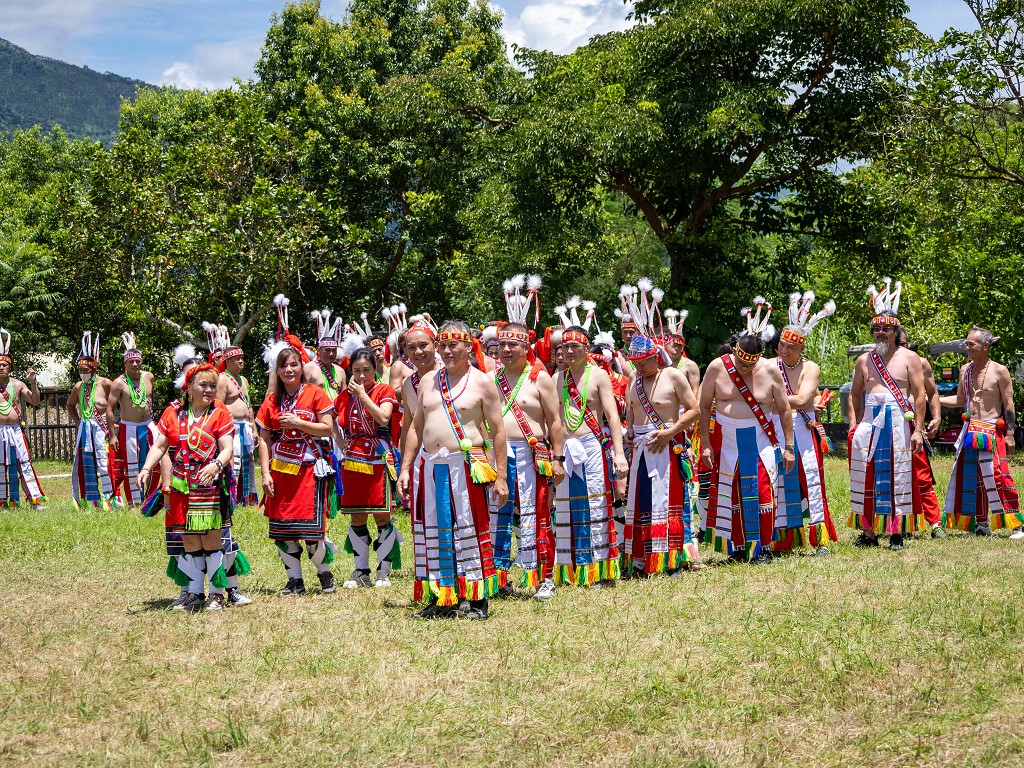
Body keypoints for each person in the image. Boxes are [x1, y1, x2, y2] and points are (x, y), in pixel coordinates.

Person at [398, 320, 508, 620]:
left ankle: (477, 598)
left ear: (467, 346)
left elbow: (498, 432)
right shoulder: (428, 381)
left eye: (453, 345)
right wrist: (406, 468)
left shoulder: (483, 381)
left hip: (465, 466)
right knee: (436, 531)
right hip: (431, 468)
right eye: (443, 345)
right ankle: (443, 596)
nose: (447, 351)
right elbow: (415, 428)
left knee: (471, 531)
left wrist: (500, 476)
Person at [699, 298, 794, 563]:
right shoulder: (718, 367)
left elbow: (785, 410)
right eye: (740, 364)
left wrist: (788, 447)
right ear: (734, 352)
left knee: (763, 490)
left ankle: (762, 546)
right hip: (727, 440)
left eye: (749, 366)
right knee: (732, 493)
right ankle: (738, 548)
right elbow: (704, 407)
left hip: (759, 439)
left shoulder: (771, 371)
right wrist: (706, 444)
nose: (744, 369)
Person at [137, 363, 235, 611]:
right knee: (190, 541)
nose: (209, 390)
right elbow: (160, 446)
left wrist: (216, 464)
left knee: (212, 540)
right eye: (203, 385)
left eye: (213, 385)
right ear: (189, 388)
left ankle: (216, 594)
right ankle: (194, 593)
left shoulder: (219, 414)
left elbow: (227, 447)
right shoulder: (174, 413)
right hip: (182, 486)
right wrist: (147, 468)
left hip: (209, 487)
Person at [848, 279, 927, 550]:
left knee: (898, 475)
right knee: (866, 474)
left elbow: (919, 395)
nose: (880, 333)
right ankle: (869, 534)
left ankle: (896, 533)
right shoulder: (864, 360)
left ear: (895, 330)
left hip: (898, 422)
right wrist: (853, 423)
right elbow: (855, 393)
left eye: (886, 328)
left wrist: (917, 429)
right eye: (876, 329)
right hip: (869, 421)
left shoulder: (910, 358)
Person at [491, 317, 565, 600]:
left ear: (526, 347)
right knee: (498, 517)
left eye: (513, 344)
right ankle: (499, 577)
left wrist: (557, 458)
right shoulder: (492, 379)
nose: (506, 349)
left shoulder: (539, 376)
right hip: (499, 455)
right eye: (502, 344)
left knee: (538, 515)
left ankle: (544, 577)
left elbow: (555, 420)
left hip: (530, 454)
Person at [257, 344, 338, 595]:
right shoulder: (271, 400)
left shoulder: (315, 393)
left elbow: (327, 428)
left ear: (302, 366)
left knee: (312, 530)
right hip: (281, 470)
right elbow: (263, 438)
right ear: (277, 371)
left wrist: (298, 422)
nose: (289, 369)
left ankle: (324, 574)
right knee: (283, 529)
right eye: (284, 366)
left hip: (309, 469)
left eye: (294, 364)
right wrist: (265, 473)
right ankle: (295, 580)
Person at [553, 321, 627, 587]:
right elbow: (556, 420)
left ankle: (597, 568)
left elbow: (612, 417)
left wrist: (619, 454)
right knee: (567, 505)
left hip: (592, 445)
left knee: (595, 504)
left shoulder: (598, 376)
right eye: (565, 346)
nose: (570, 351)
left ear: (586, 348)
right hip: (566, 449)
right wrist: (555, 454)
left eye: (575, 346)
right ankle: (571, 567)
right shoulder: (557, 377)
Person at [623, 328, 700, 576]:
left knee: (670, 503)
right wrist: (629, 435)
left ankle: (672, 560)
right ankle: (643, 559)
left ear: (655, 357)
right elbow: (631, 417)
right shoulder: (633, 382)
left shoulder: (673, 376)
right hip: (641, 453)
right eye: (635, 363)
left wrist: (669, 433)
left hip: (668, 446)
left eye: (643, 362)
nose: (639, 368)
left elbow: (694, 410)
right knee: (642, 502)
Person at [772, 292, 838, 555]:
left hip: (803, 427)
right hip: (775, 429)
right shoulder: (768, 365)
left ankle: (820, 539)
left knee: (811, 481)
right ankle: (783, 539)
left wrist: (773, 399)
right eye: (782, 344)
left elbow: (801, 400)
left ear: (801, 348)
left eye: (791, 347)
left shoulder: (811, 368)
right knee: (779, 482)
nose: (785, 350)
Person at [939, 327, 1021, 534]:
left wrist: (1010, 434)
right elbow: (958, 400)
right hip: (970, 431)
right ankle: (982, 524)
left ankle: (1017, 524)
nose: (966, 347)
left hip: (992, 430)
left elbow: (1009, 405)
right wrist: (933, 400)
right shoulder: (965, 369)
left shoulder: (1000, 370)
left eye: (970, 344)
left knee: (999, 476)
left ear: (985, 346)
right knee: (972, 478)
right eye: (966, 343)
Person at [335, 348, 402, 588]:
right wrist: (340, 440)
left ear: (375, 370)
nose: (361, 376)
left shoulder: (383, 390)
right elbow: (332, 419)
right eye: (356, 371)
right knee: (356, 516)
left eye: (366, 370)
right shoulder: (343, 396)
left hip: (377, 458)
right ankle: (360, 570)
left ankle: (383, 571)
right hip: (352, 460)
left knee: (382, 515)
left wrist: (363, 396)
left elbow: (384, 418)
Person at [899, 329, 945, 539]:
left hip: (913, 426)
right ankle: (899, 523)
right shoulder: (876, 361)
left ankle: (935, 523)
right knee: (890, 477)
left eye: (904, 342)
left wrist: (936, 416)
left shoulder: (920, 362)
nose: (902, 346)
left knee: (922, 475)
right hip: (886, 426)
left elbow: (931, 391)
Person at [67, 332, 116, 509]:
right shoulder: (78, 387)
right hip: (85, 427)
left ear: (94, 369)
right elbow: (70, 405)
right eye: (80, 370)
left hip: (102, 427)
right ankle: (92, 499)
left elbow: (114, 404)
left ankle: (110, 499)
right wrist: (77, 421)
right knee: (86, 462)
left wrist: (113, 425)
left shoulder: (105, 383)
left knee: (104, 461)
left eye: (85, 370)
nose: (82, 373)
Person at [106, 332, 156, 507]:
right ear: (125, 364)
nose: (135, 364)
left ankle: (151, 498)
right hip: (129, 428)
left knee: (153, 462)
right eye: (131, 362)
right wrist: (113, 435)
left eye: (137, 361)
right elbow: (110, 409)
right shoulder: (119, 383)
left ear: (141, 361)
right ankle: (134, 502)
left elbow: (151, 400)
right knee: (132, 466)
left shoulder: (148, 377)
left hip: (149, 426)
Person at [0, 329, 45, 508]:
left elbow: (35, 401)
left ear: (9, 367)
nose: (1, 367)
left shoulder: (18, 384)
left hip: (16, 430)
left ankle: (35, 500)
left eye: (4, 365)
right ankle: (3, 502)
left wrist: (33, 382)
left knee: (24, 463)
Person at [215, 336, 259, 507]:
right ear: (227, 361)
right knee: (233, 463)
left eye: (242, 358)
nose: (241, 361)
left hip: (245, 426)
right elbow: (218, 406)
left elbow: (249, 407)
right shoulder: (222, 380)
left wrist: (254, 429)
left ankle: (245, 498)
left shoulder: (244, 380)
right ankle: (230, 498)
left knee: (247, 464)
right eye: (237, 359)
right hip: (230, 428)